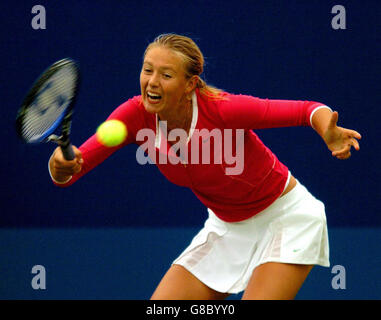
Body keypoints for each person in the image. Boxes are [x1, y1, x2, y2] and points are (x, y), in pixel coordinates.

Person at [48, 34, 361, 300]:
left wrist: (327, 131)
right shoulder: (133, 116)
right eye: (147, 70)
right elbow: (75, 165)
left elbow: (307, 110)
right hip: (226, 227)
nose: (152, 82)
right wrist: (60, 166)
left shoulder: (224, 110)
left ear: (189, 84)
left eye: (166, 75)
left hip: (286, 218)